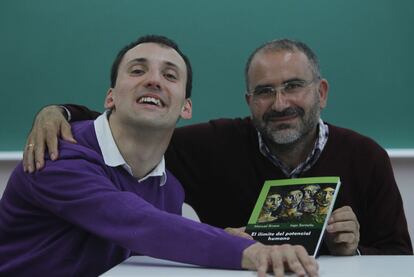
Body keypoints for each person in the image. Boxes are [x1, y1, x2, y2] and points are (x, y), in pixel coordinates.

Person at [22, 39, 413, 256]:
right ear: (248, 101)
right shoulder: (61, 151)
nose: (279, 104)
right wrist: (59, 111)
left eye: (293, 86)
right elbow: (135, 123)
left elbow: (400, 259)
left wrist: (357, 252)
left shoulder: (366, 156)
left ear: (321, 92)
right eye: (264, 92)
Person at [0, 35, 319, 277]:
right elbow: (138, 222)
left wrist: (219, 237)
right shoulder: (55, 154)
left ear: (186, 107)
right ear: (111, 96)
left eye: (170, 75)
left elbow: (156, 232)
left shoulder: (168, 189)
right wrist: (250, 251)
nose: (153, 80)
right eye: (137, 70)